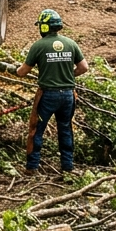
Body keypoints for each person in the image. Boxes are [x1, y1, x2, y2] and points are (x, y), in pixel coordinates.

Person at [15, 9, 88, 174]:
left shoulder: (39, 46)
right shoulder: (71, 43)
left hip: (48, 96)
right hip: (68, 96)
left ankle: (32, 167)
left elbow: (23, 71)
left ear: (45, 27)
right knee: (65, 129)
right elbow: (84, 67)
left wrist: (15, 70)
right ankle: (68, 167)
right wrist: (69, 75)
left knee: (36, 130)